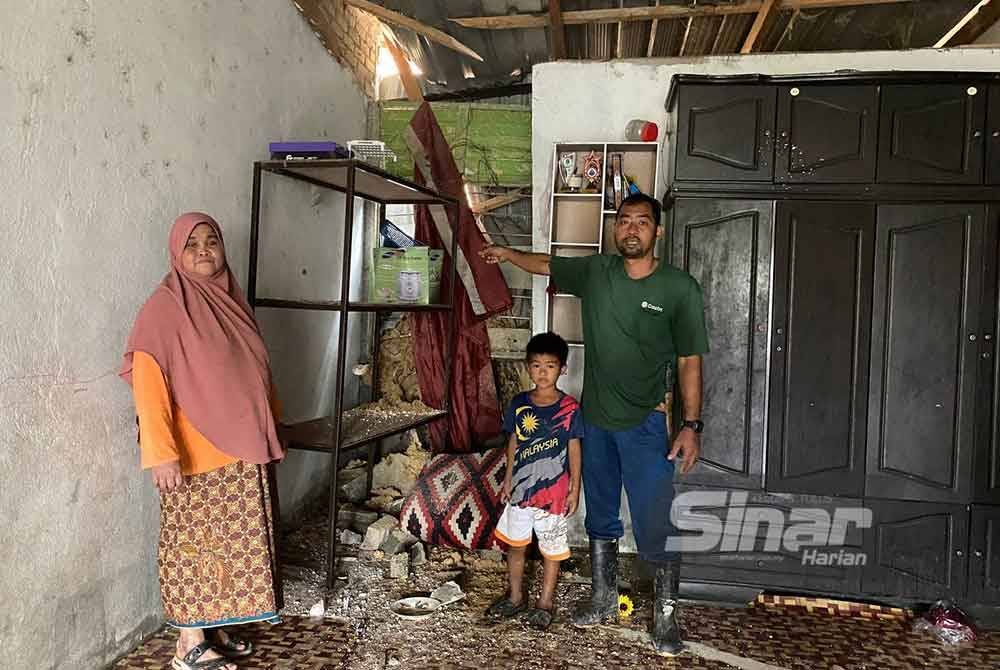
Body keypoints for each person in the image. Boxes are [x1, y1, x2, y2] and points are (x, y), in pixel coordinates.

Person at [479, 192, 708, 655]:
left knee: (654, 519)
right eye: (624, 221)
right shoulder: (597, 273)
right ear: (615, 228)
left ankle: (666, 616)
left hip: (647, 424)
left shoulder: (679, 289)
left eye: (642, 223)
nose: (631, 229)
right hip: (595, 421)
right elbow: (547, 264)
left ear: (656, 232)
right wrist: (506, 254)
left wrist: (692, 426)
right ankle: (604, 597)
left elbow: (690, 361)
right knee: (601, 515)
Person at [120, 212, 286, 670]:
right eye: (192, 244)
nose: (203, 251)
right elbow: (148, 388)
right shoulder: (165, 308)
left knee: (233, 547)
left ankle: (216, 625)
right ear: (177, 252)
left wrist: (271, 428)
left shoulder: (230, 300)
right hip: (193, 456)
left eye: (211, 241)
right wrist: (160, 455)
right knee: (193, 546)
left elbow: (255, 373)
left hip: (242, 450)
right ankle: (189, 646)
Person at [487, 332, 583, 631]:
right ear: (528, 367)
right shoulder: (518, 404)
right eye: (537, 365)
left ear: (562, 369)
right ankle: (515, 597)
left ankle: (544, 604)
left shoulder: (570, 409)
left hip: (553, 495)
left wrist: (574, 488)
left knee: (551, 550)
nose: (543, 372)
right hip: (520, 492)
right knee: (516, 547)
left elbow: (574, 448)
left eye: (550, 366)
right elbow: (514, 442)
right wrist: (507, 479)